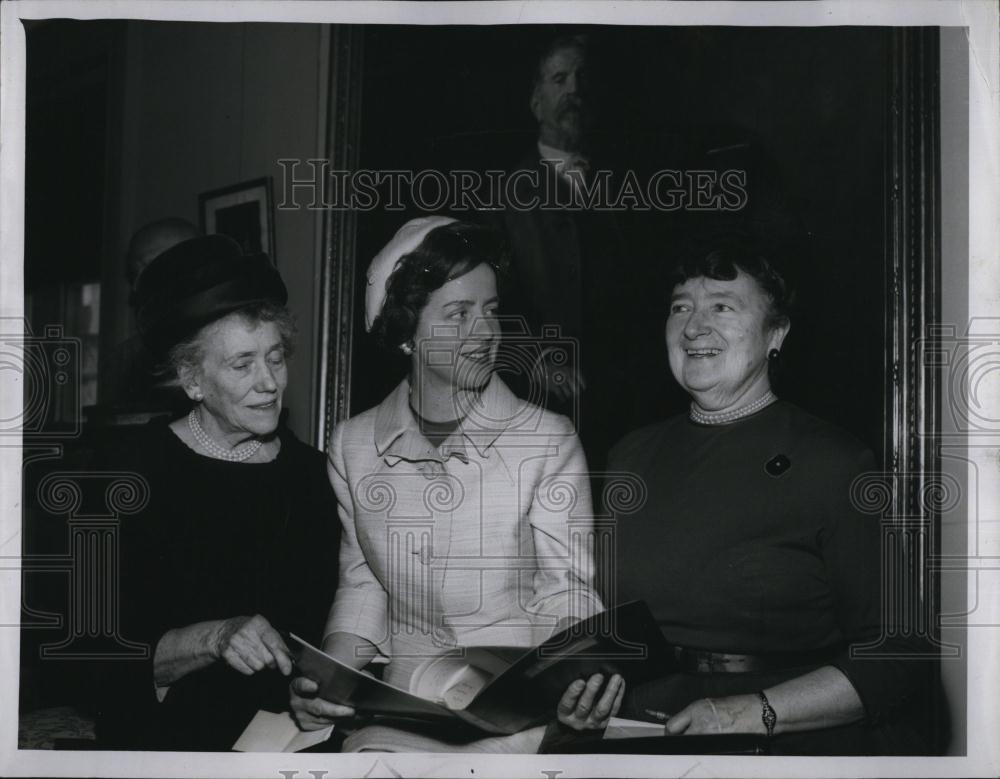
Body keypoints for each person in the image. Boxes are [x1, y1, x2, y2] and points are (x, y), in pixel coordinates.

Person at [289, 217, 621, 752]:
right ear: (406, 333)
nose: (486, 332)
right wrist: (327, 682)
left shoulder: (547, 439)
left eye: (491, 310)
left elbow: (566, 589)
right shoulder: (353, 445)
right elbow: (363, 585)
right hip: (402, 708)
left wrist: (571, 682)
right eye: (459, 313)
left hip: (513, 711)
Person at [599, 244, 932, 755]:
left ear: (776, 334)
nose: (694, 327)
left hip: (778, 740)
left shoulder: (834, 461)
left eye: (722, 306)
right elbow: (604, 625)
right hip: (641, 731)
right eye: (680, 307)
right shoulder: (628, 456)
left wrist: (754, 713)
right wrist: (585, 690)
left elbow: (899, 653)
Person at [94, 234, 341, 750]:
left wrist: (312, 691)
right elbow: (92, 657)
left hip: (289, 741)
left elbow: (324, 638)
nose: (269, 382)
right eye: (242, 364)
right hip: (169, 739)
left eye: (275, 357)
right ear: (192, 380)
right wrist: (215, 637)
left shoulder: (317, 477)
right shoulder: (130, 475)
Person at [495, 34, 636, 472]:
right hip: (538, 407)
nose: (574, 89)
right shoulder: (505, 196)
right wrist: (535, 355)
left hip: (620, 411)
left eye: (582, 78)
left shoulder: (628, 188)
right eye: (560, 79)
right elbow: (488, 298)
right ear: (536, 102)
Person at [100, 217, 203, 410]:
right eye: (135, 274)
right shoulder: (124, 360)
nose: (136, 287)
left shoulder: (244, 339)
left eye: (149, 268)